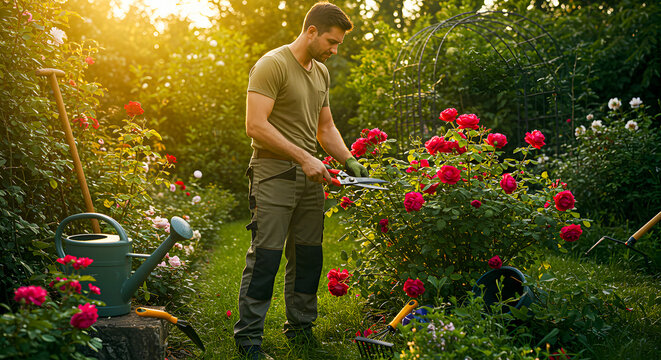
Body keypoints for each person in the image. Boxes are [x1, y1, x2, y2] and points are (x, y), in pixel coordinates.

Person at [233, 2, 368, 359]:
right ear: (311, 31)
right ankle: (249, 340)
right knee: (266, 256)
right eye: (331, 41)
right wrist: (305, 158)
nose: (334, 50)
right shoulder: (272, 65)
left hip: (311, 178)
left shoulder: (320, 73)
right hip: (273, 172)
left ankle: (301, 330)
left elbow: (325, 128)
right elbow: (256, 126)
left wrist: (349, 158)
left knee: (308, 256)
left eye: (338, 44)